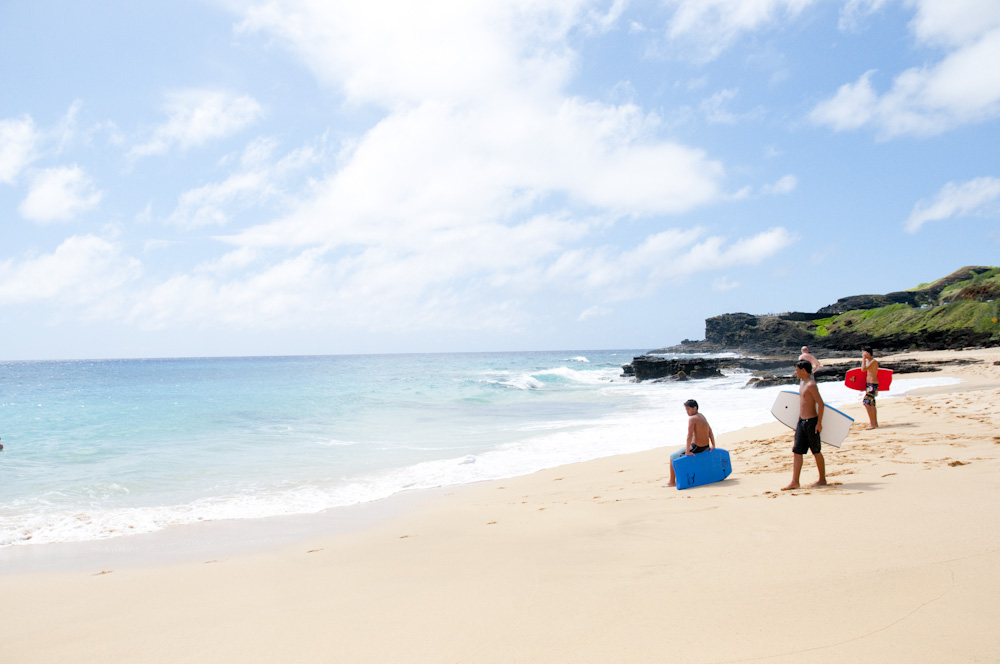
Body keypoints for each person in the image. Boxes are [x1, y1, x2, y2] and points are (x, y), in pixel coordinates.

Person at [782, 360, 827, 490]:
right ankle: (795, 481)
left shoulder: (811, 385)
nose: (795, 372)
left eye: (796, 369)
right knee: (797, 451)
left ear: (803, 370)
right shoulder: (802, 384)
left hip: (811, 422)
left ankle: (822, 479)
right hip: (801, 422)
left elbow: (821, 404)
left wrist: (819, 423)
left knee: (816, 451)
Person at [665, 399, 716, 488]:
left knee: (672, 457)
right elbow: (710, 430)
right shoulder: (702, 416)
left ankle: (671, 482)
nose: (687, 412)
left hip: (697, 447)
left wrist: (688, 451)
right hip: (705, 447)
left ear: (695, 408)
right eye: (686, 410)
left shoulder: (692, 419)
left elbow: (689, 436)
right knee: (679, 453)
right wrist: (713, 445)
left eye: (688, 409)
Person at [861, 347, 879, 429]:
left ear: (868, 353)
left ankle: (873, 423)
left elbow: (863, 369)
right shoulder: (869, 361)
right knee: (871, 404)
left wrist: (863, 359)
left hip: (873, 384)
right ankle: (874, 423)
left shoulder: (873, 361)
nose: (863, 355)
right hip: (869, 385)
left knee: (866, 402)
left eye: (864, 353)